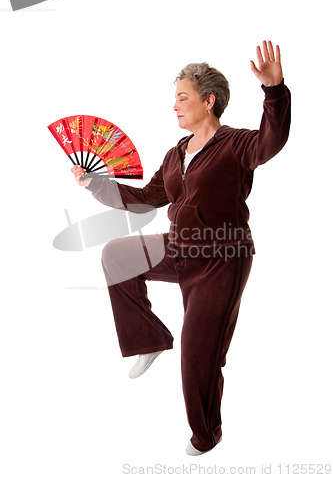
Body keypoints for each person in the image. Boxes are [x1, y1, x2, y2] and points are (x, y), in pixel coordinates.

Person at [71, 40, 291, 456]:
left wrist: (274, 91)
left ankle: (206, 436)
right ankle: (150, 338)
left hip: (221, 260)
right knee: (116, 255)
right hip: (179, 248)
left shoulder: (237, 144)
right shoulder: (176, 154)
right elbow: (149, 197)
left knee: (197, 355)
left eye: (182, 98)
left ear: (208, 101)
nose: (174, 106)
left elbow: (271, 140)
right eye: (174, 99)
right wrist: (95, 183)